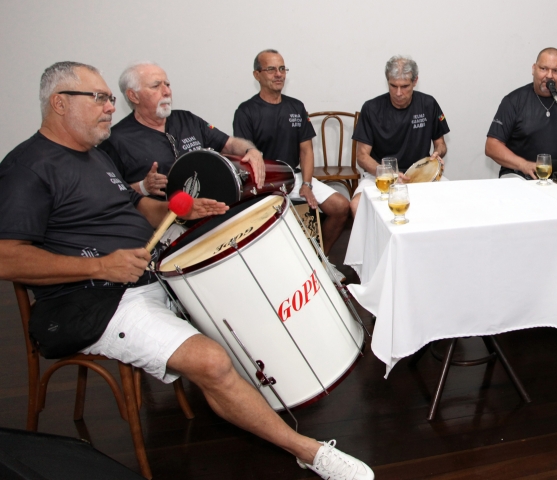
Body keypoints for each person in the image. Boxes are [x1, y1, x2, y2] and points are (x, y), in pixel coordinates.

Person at [0, 62, 372, 480]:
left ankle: (276, 384)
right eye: (100, 98)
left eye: (109, 98)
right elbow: (6, 257)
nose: (110, 107)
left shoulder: (94, 156)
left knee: (245, 302)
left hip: (149, 272)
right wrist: (101, 265)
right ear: (60, 103)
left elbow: (138, 206)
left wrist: (183, 210)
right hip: (96, 300)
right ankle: (309, 451)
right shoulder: (28, 168)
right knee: (211, 361)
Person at [233, 50, 351, 251]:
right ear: (257, 75)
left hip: (293, 177)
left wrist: (306, 184)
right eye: (271, 69)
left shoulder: (296, 107)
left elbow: (306, 151)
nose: (278, 74)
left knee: (341, 206)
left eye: (282, 69)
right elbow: (244, 159)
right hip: (263, 182)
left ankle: (320, 258)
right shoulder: (246, 111)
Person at [100, 62, 265, 199]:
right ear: (133, 96)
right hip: (162, 221)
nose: (166, 91)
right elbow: (107, 195)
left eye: (167, 84)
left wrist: (250, 150)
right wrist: (143, 187)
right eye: (156, 86)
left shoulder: (187, 119)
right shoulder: (115, 140)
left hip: (210, 210)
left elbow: (229, 144)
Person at [351, 56, 449, 215]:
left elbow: (441, 144)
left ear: (415, 81)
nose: (398, 93)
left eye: (404, 86)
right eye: (393, 86)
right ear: (387, 81)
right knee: (356, 205)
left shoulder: (428, 104)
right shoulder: (371, 108)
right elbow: (362, 156)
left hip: (420, 173)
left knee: (452, 199)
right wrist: (388, 174)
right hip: (381, 175)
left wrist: (438, 153)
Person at [486, 48, 557, 178]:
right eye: (543, 69)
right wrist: (523, 165)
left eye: (556, 71)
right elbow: (492, 146)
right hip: (519, 175)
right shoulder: (513, 100)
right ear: (534, 69)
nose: (549, 76)